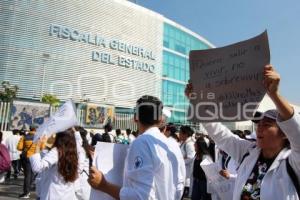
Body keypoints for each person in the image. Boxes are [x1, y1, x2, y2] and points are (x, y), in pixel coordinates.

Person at [185, 65, 300, 199]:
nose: (259, 128)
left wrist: (274, 94)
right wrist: (197, 101)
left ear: (285, 133)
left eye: (267, 125)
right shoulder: (249, 152)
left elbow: (296, 130)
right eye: (259, 124)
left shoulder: (293, 161)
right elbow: (221, 135)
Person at [88, 95, 183, 199]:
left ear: (135, 118)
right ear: (161, 120)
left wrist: (104, 185)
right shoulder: (171, 145)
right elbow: (179, 187)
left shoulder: (142, 143)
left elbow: (140, 197)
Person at [30, 129, 79, 200]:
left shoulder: (57, 151)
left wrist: (37, 147)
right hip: (68, 194)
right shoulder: (73, 153)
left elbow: (37, 167)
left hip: (54, 193)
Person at [17, 125, 37, 198]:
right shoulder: (39, 137)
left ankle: (26, 193)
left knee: (27, 175)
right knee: (32, 174)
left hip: (27, 157)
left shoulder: (24, 137)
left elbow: (19, 147)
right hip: (36, 157)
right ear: (36, 129)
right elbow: (42, 147)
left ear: (30, 129)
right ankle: (29, 188)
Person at [179, 125, 196, 198]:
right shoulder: (184, 142)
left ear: (185, 134)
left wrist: (180, 160)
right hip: (183, 172)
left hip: (187, 175)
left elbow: (191, 158)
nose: (179, 135)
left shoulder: (189, 144)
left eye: (180, 133)